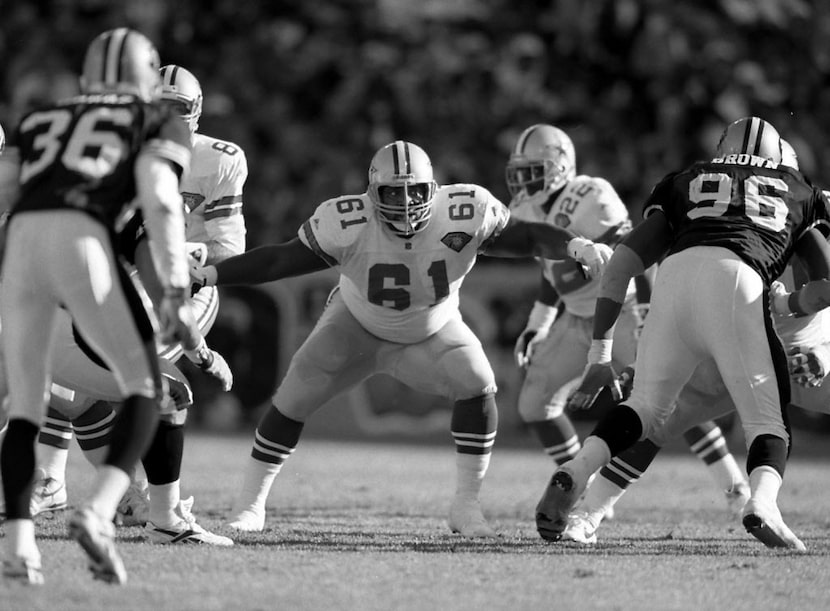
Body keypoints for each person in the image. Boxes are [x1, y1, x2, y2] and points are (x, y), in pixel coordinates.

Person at [189, 139, 613, 536]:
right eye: (393, 193)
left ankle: (466, 505)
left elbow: (527, 236)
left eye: (415, 192)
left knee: (478, 382)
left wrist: (576, 245)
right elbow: (279, 260)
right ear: (373, 193)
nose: (406, 203)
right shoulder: (347, 220)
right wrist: (212, 274)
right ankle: (251, 504)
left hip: (433, 327)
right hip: (355, 324)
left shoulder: (466, 209)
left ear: (434, 187)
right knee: (293, 395)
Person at [534, 116, 830, 552]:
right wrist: (788, 304)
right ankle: (762, 503)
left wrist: (602, 354)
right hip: (743, 315)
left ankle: (577, 478)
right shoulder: (800, 195)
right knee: (766, 422)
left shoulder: (689, 182)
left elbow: (621, 267)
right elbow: (824, 287)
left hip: (691, 292)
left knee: (648, 411)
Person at [0, 28, 198, 585]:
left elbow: (4, 193)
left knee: (24, 408)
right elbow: (160, 201)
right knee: (148, 389)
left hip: (18, 246)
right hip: (81, 238)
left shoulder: (42, 116)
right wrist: (176, 292)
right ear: (146, 74)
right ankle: (100, 508)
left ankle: (19, 547)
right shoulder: (158, 119)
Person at [29, 64, 247, 545]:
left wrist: (191, 259)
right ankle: (145, 505)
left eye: (175, 111)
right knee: (153, 389)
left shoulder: (214, 160)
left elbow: (227, 250)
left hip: (130, 291)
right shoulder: (118, 168)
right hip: (97, 294)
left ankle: (84, 487)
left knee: (81, 389)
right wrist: (202, 354)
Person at [506, 124, 748, 513]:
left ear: (561, 166)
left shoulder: (591, 195)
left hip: (619, 311)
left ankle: (734, 487)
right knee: (535, 404)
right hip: (577, 319)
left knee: (673, 400)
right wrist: (539, 322)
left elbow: (638, 255)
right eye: (521, 170)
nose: (524, 179)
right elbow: (550, 270)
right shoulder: (522, 208)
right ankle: (578, 482)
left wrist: (644, 315)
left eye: (534, 168)